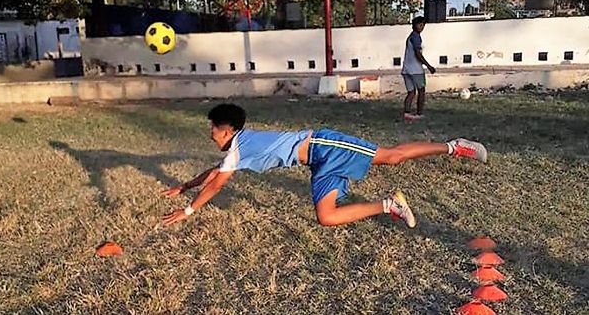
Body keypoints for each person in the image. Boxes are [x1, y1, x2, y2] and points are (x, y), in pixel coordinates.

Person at [162, 104, 487, 228]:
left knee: (392, 157)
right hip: (317, 163)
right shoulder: (236, 150)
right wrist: (186, 186)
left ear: (228, 130)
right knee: (327, 217)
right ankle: (390, 204)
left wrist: (188, 210)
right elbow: (214, 174)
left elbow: (217, 183)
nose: (210, 134)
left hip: (323, 145)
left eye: (213, 129)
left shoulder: (239, 147)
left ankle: (454, 146)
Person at [402, 16, 436, 121]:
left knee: (411, 92)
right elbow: (418, 54)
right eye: (420, 25)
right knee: (421, 91)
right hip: (416, 70)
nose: (422, 27)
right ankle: (419, 113)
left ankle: (406, 113)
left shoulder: (410, 37)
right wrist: (428, 66)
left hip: (406, 69)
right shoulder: (416, 37)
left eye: (423, 25)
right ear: (414, 25)